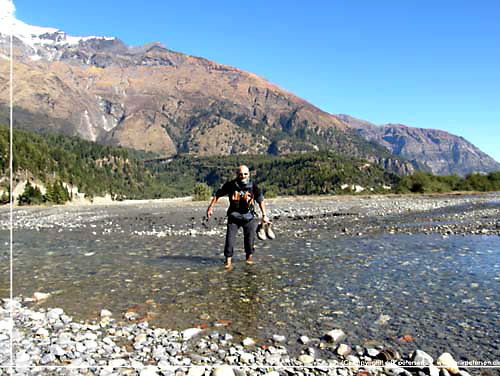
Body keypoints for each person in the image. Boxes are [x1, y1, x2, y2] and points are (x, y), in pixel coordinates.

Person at [207, 165, 269, 269]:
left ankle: (249, 261)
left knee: (249, 242)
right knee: (229, 241)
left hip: (249, 218)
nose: (243, 176)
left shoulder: (253, 186)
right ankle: (228, 263)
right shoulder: (231, 185)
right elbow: (218, 194)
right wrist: (210, 208)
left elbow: (260, 200)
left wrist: (264, 215)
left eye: (245, 174)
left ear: (248, 174)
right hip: (233, 218)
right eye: (241, 174)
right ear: (237, 175)